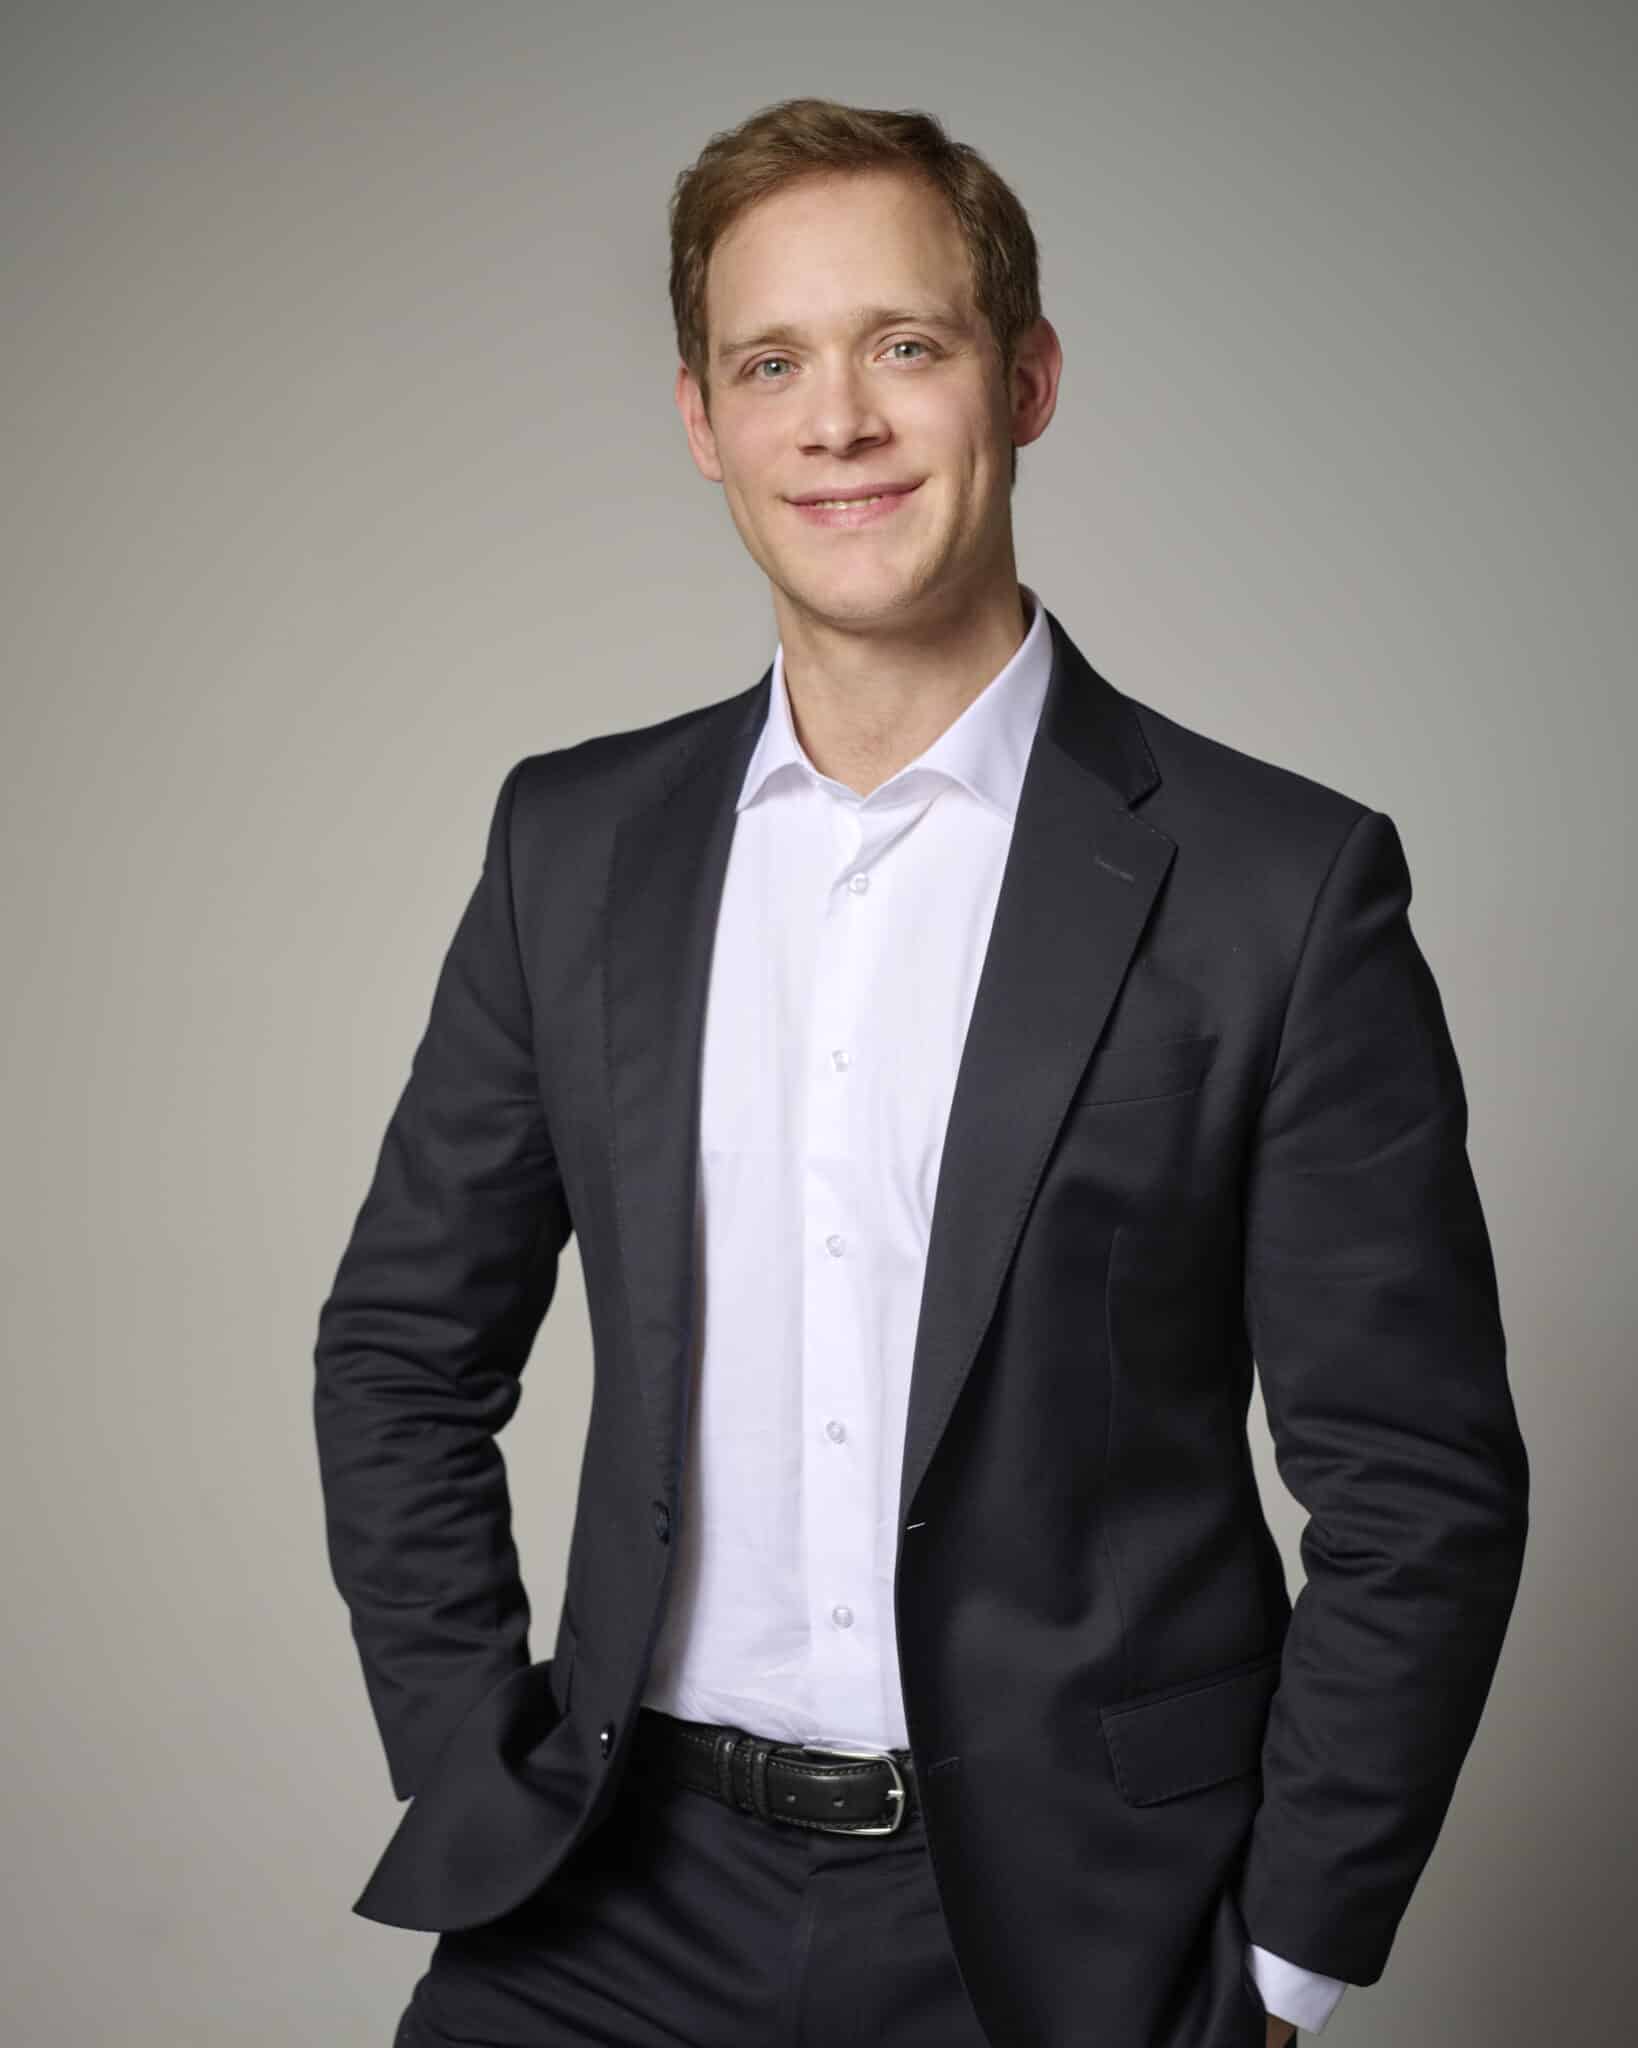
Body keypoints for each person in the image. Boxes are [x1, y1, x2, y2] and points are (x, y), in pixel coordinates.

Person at [314, 96, 1530, 2048]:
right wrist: (476, 1761)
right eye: (769, 364)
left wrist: (1285, 1963)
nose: (838, 422)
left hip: (1064, 1940)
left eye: (905, 345)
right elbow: (399, 1348)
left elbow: (1414, 1479)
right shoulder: (574, 846)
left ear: (1022, 381)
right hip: (607, 1906)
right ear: (702, 421)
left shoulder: (1277, 890)